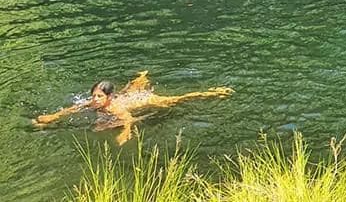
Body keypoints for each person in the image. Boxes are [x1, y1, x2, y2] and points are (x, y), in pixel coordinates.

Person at [34, 71, 233, 145]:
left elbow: (128, 119)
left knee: (176, 99)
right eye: (93, 95)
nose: (94, 99)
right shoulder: (94, 102)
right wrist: (53, 116)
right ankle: (142, 76)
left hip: (143, 100)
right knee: (131, 88)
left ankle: (211, 92)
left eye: (99, 96)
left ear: (109, 97)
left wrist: (125, 132)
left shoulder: (115, 108)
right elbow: (72, 109)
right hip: (128, 96)